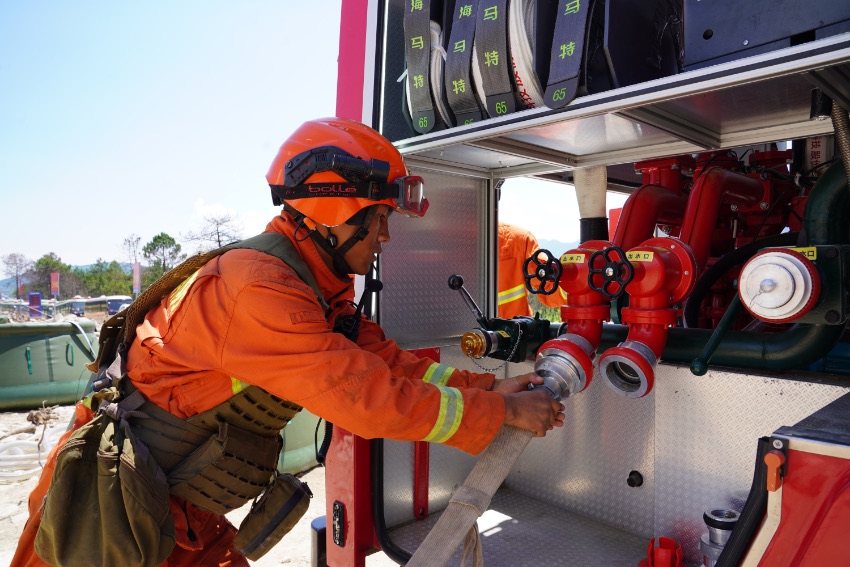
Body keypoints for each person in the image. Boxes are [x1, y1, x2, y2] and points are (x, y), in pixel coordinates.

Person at [12, 117, 565, 567]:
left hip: (174, 515)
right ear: (336, 215)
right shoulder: (261, 290)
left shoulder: (313, 287)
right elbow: (365, 398)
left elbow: (388, 365)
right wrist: (500, 413)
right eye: (378, 222)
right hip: (107, 511)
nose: (386, 238)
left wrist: (495, 387)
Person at [498, 221, 567, 318]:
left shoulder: (521, 240)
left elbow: (546, 281)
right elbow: (548, 285)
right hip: (515, 328)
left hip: (512, 328)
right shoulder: (520, 239)